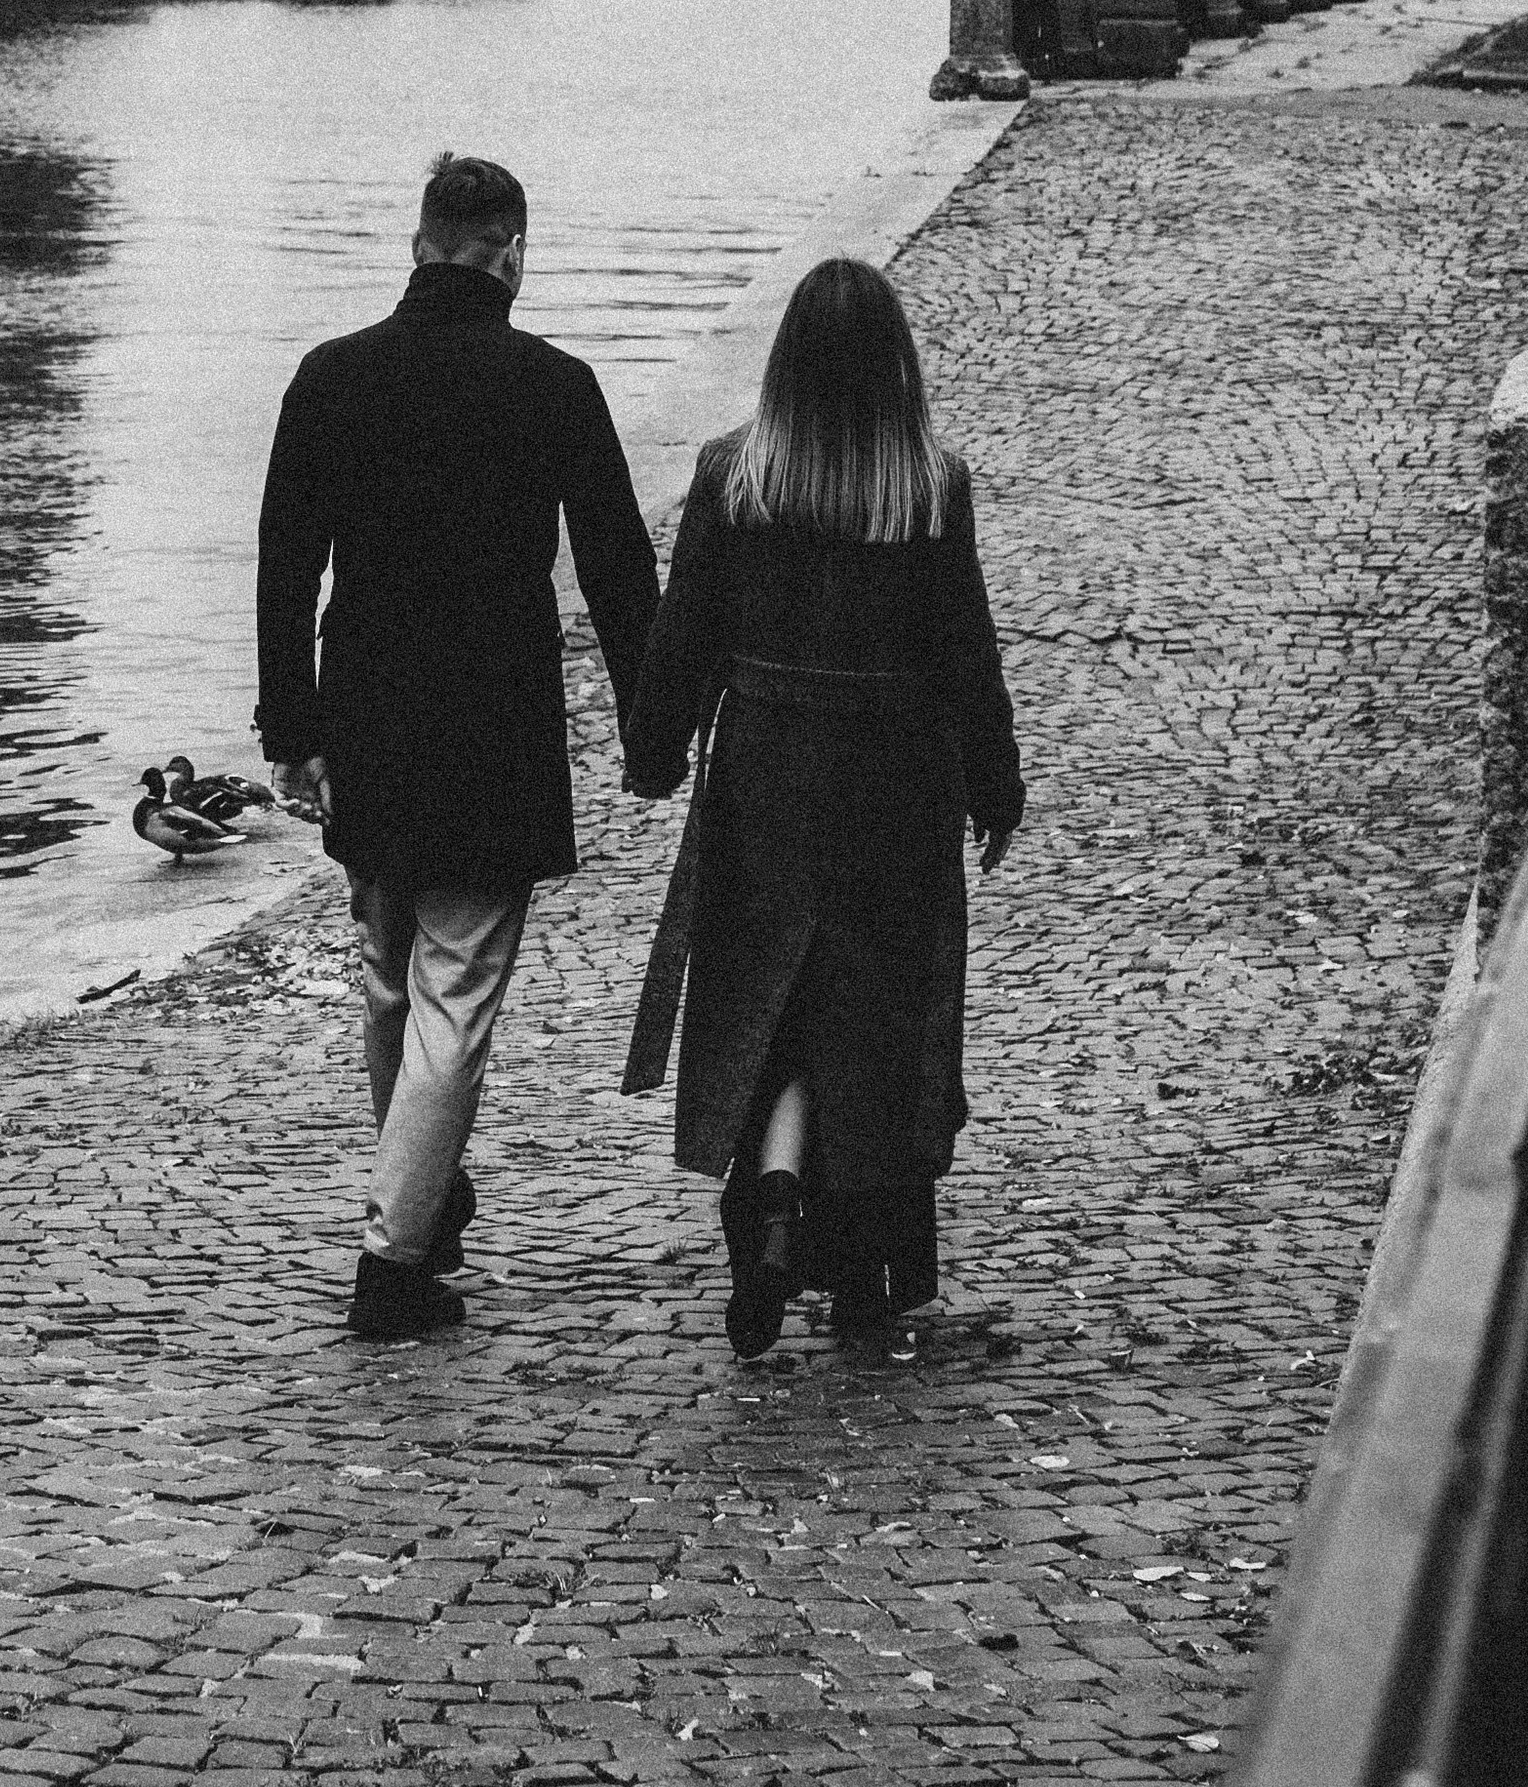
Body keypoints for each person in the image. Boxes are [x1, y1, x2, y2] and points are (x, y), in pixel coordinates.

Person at [256, 150, 658, 1340]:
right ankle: (392, 1257)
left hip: (368, 714)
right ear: (513, 253)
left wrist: (291, 729)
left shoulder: (328, 378)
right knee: (457, 991)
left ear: (419, 243)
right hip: (492, 722)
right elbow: (618, 571)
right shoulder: (555, 386)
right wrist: (650, 725)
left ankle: (417, 1197)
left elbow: (285, 570)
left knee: (389, 978)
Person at [620, 257, 1024, 1359]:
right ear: (895, 365)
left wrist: (653, 753)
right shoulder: (929, 486)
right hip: (894, 788)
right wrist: (997, 787)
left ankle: (777, 1196)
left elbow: (682, 635)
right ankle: (866, 1278)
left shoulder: (731, 475)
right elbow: (965, 658)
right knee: (874, 1025)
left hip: (764, 778)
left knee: (771, 1005)